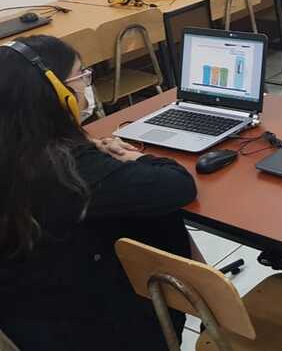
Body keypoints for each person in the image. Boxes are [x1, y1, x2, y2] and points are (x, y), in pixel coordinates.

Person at [0, 35, 197, 350]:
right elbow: (179, 185)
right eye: (80, 76)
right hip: (98, 330)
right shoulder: (69, 171)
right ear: (56, 94)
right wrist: (134, 157)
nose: (85, 85)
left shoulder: (19, 153)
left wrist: (84, 145)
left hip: (25, 319)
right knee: (162, 217)